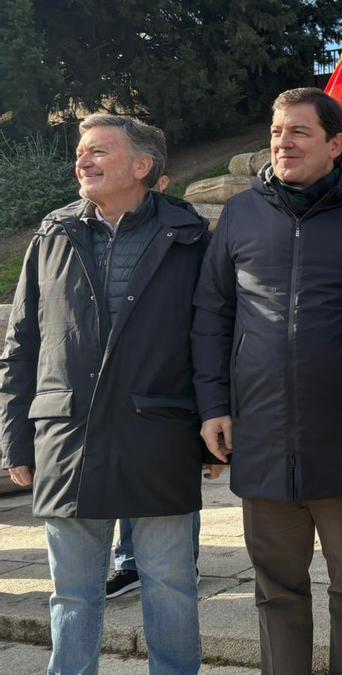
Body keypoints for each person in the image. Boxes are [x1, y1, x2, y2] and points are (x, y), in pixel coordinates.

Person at [192, 87, 342, 674]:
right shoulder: (239, 215)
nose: (283, 143)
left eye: (299, 132)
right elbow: (212, 315)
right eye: (277, 132)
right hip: (261, 434)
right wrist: (213, 406)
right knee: (276, 588)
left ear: (336, 145)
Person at [0, 113, 211, 673]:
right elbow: (22, 344)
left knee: (170, 588)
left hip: (160, 436)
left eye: (98, 151)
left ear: (142, 167)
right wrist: (16, 441)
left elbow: (211, 340)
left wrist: (214, 431)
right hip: (68, 437)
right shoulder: (53, 234)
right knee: (71, 595)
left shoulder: (189, 236)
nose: (82, 160)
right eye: (80, 151)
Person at [106, 173, 206, 600]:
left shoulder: (187, 233)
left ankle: (182, 560)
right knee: (127, 477)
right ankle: (129, 561)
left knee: (171, 482)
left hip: (171, 383)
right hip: (121, 380)